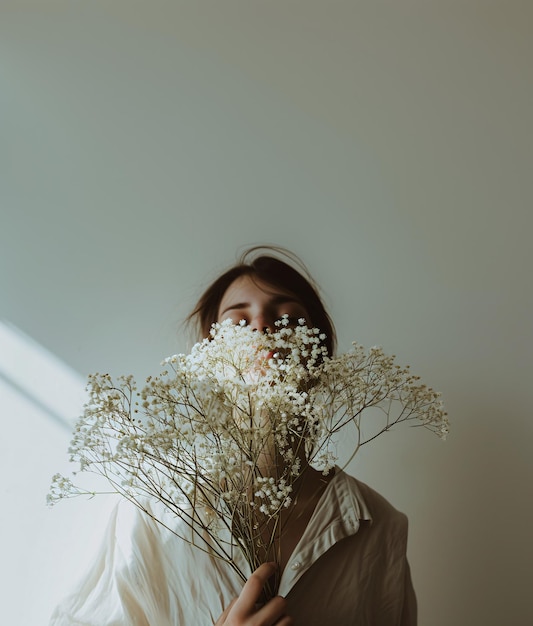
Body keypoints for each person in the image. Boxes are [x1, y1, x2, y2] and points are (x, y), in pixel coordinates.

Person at [50, 246, 417, 626]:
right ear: (210, 360)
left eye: (287, 317)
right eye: (238, 322)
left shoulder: (378, 525)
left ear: (317, 355)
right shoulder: (154, 510)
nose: (261, 327)